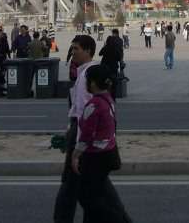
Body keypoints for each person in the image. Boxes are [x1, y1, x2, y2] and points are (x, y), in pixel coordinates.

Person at [54, 35, 115, 223]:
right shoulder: (84, 73)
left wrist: (79, 148)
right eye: (72, 49)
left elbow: (85, 113)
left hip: (83, 136)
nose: (72, 53)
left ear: (88, 50)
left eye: (76, 49)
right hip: (82, 135)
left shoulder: (88, 76)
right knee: (94, 188)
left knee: (73, 186)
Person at [71, 64, 131, 223]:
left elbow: (86, 135)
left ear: (92, 83)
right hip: (108, 152)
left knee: (89, 198)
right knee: (101, 195)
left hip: (95, 157)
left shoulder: (94, 105)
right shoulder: (108, 100)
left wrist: (75, 155)